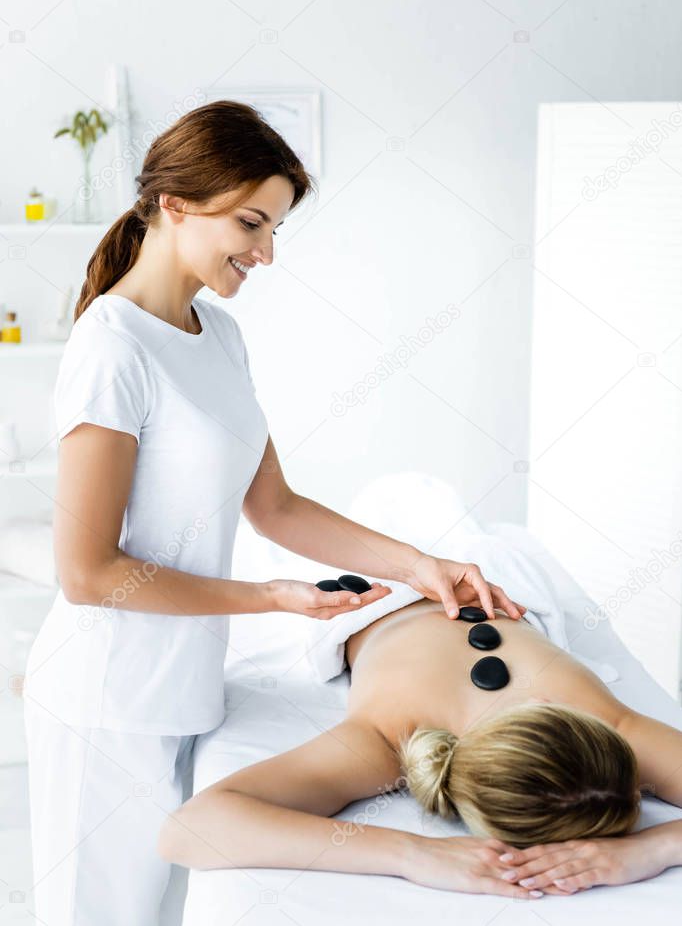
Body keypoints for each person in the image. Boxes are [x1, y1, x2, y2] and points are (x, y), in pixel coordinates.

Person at [22, 100, 525, 926]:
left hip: (186, 691)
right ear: (175, 203)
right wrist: (269, 598)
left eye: (275, 229)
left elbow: (276, 507)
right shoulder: (111, 346)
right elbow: (87, 572)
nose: (266, 253)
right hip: (105, 700)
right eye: (251, 224)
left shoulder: (217, 335)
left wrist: (422, 565)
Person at [158, 593, 682, 900]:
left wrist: (651, 849)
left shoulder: (601, 725)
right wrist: (411, 853)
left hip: (470, 582)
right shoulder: (388, 735)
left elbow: (193, 827)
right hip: (384, 589)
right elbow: (188, 832)